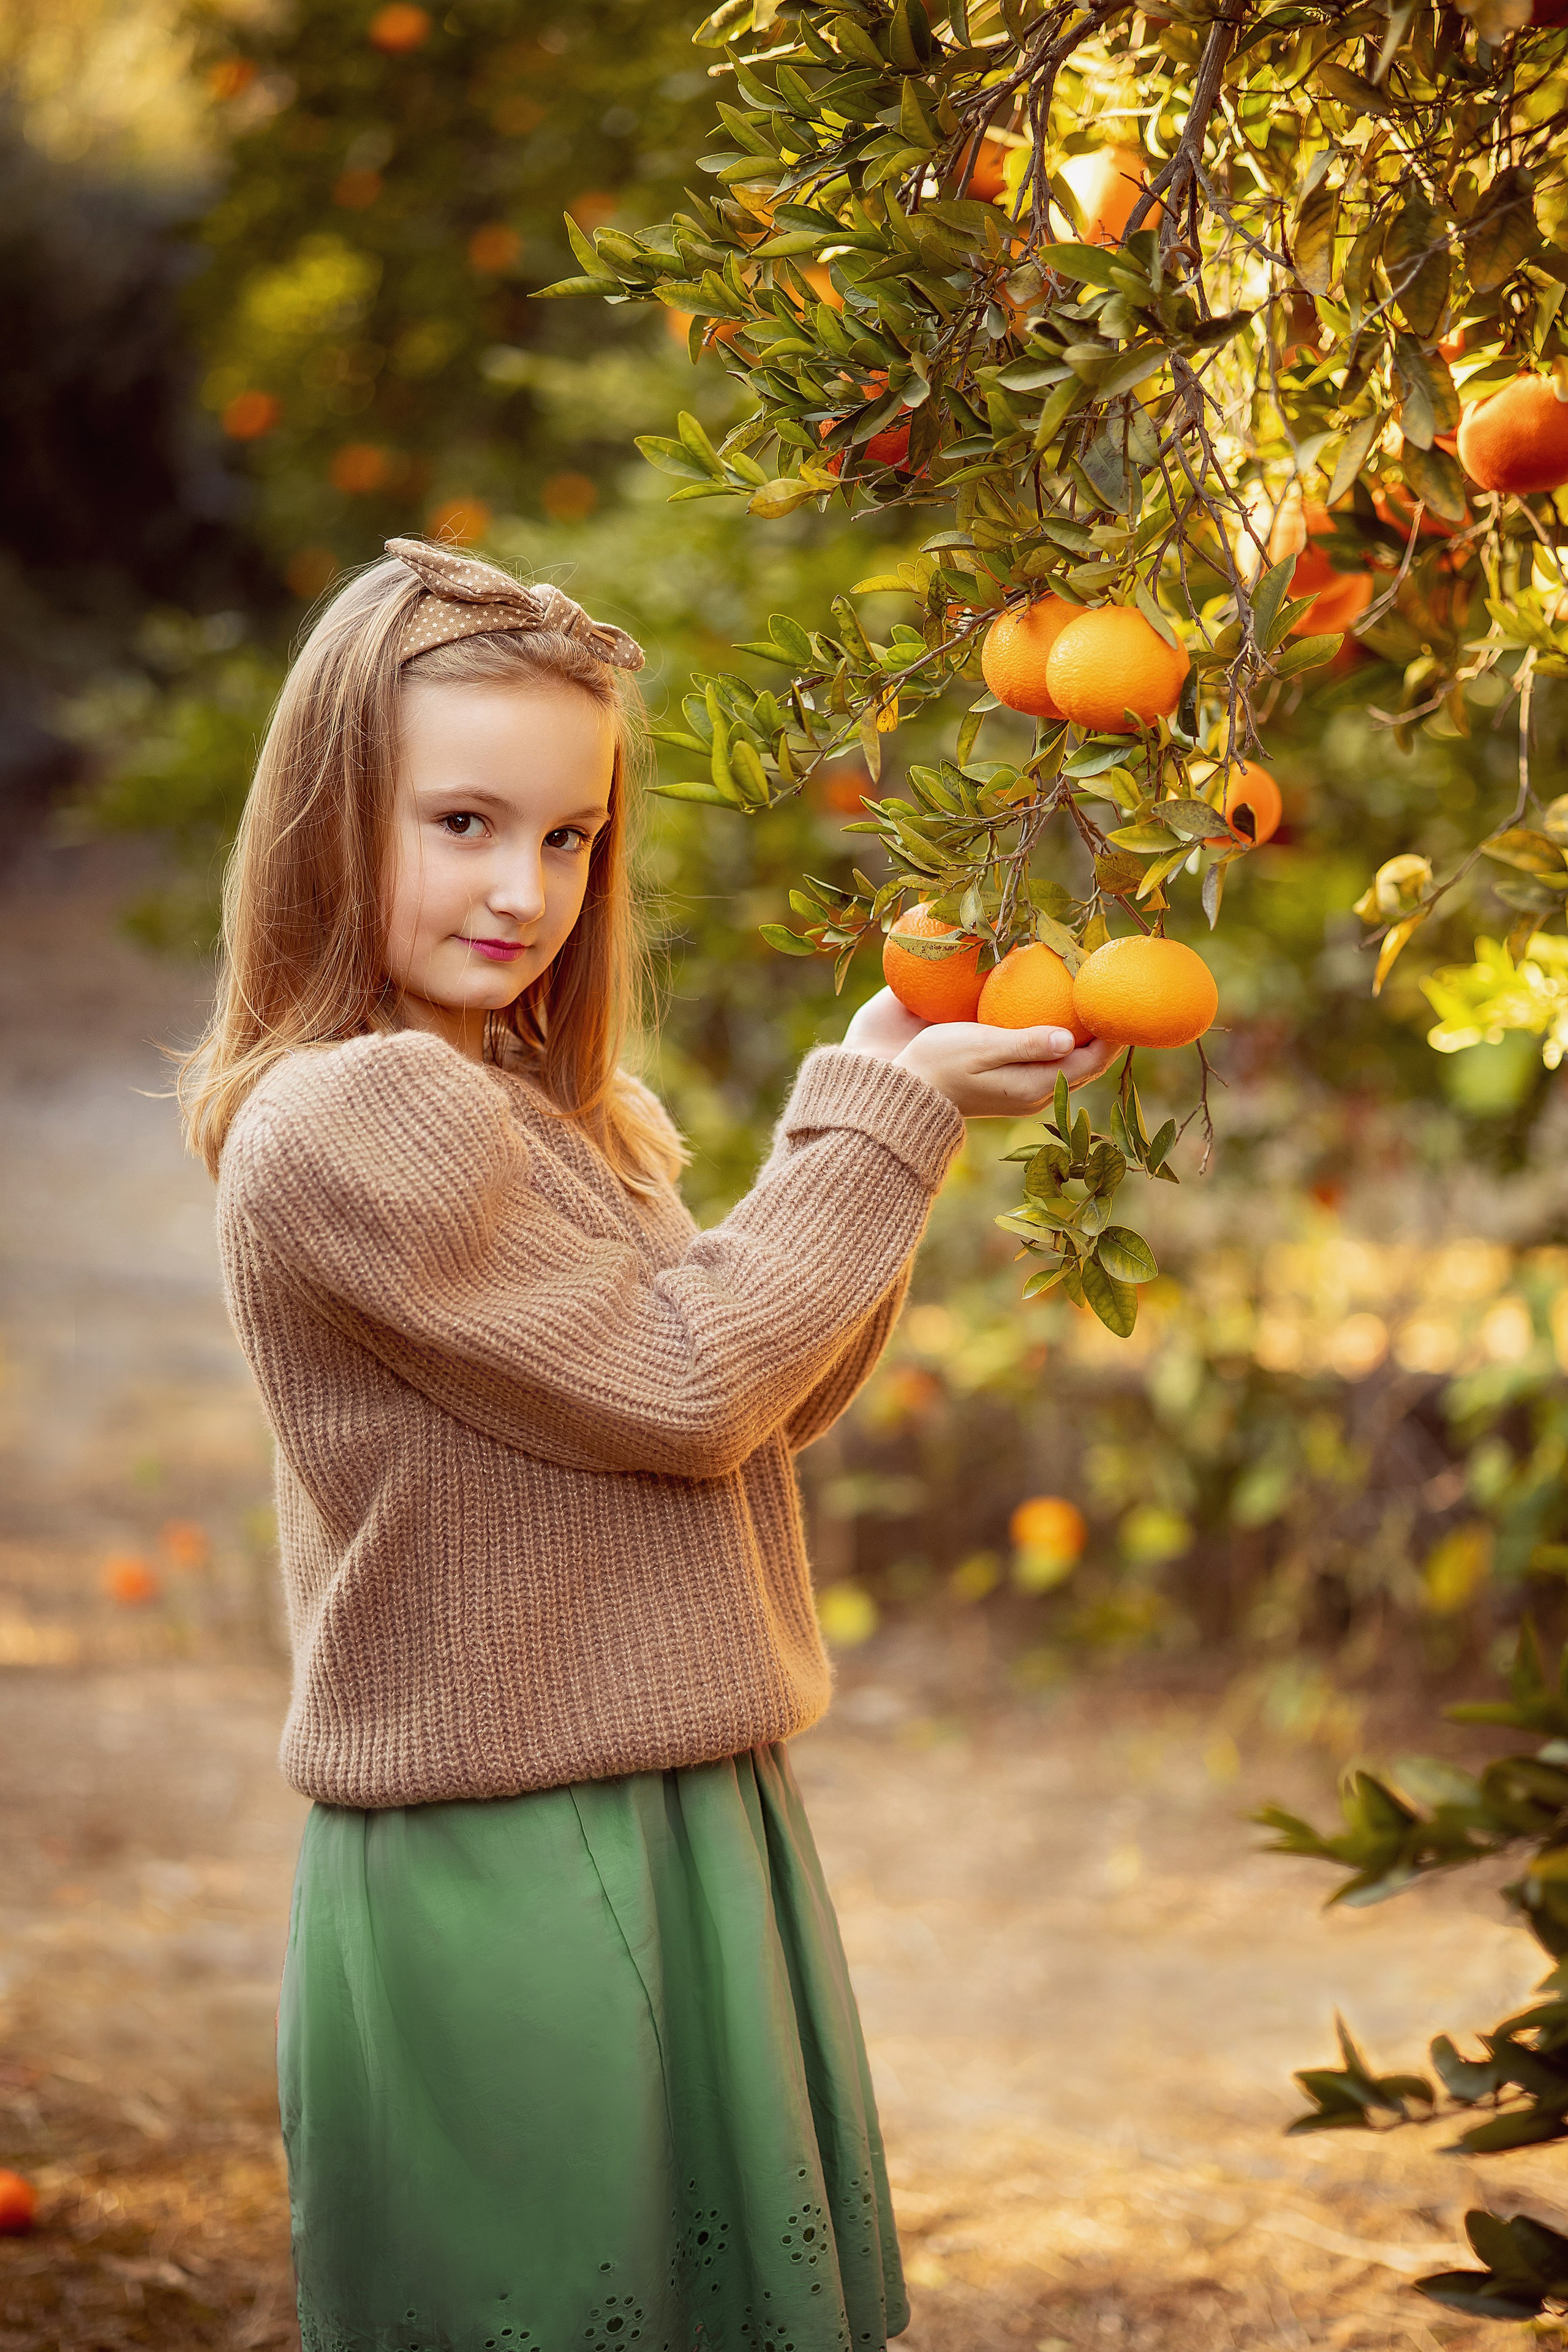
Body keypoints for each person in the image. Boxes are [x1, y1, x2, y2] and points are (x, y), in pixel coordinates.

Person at [184, 538, 1108, 2352]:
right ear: (325, 821)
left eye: (567, 836)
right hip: (523, 1837)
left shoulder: (538, 1106)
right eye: (462, 822)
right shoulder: (356, 1119)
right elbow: (693, 1388)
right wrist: (878, 1122)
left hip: (668, 1797)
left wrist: (879, 1106)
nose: (521, 885)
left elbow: (761, 1393)